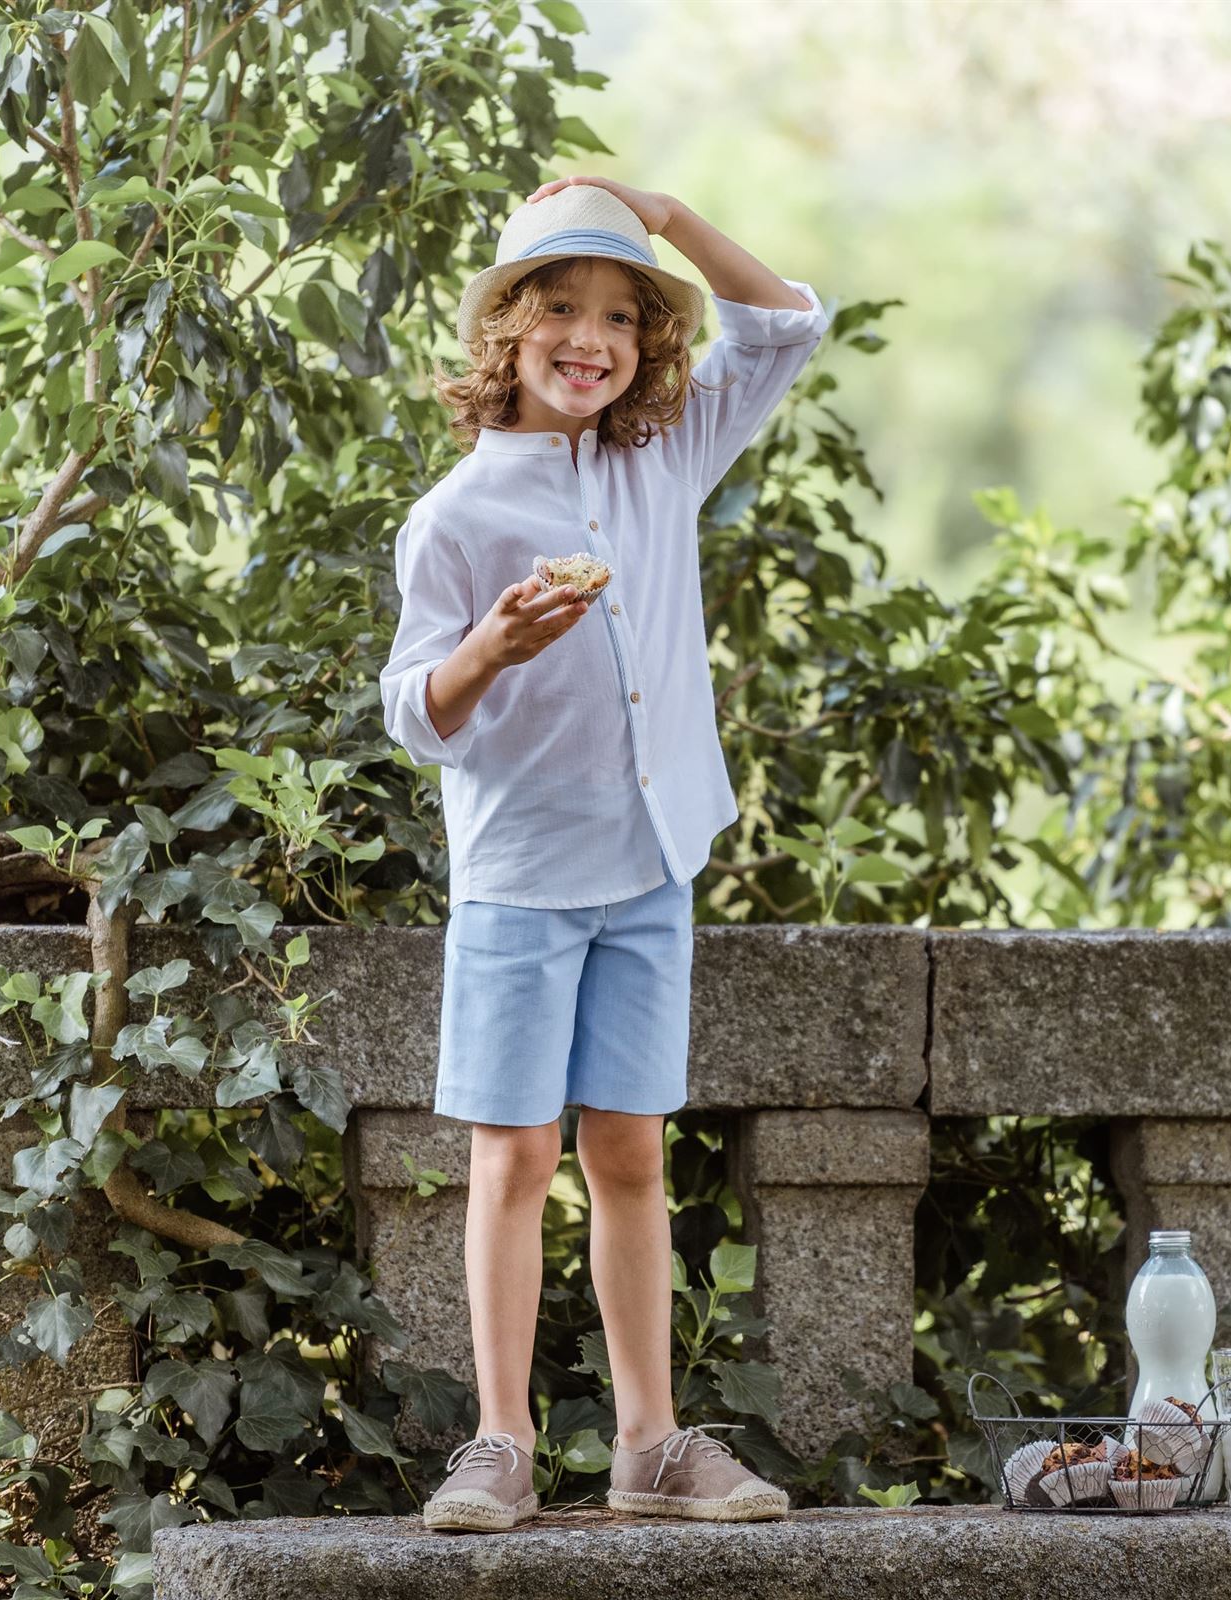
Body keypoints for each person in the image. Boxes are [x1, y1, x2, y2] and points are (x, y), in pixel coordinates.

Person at [378, 174, 828, 1533]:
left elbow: (788, 325)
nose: (591, 336)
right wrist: (487, 650)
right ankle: (500, 1444)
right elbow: (414, 711)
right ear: (505, 331)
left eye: (620, 315)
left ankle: (649, 1446)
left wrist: (666, 209)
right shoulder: (455, 516)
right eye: (561, 307)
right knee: (513, 1158)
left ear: (647, 343)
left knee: (630, 1151)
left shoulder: (662, 456)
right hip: (519, 874)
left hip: (650, 862)